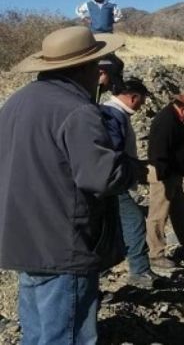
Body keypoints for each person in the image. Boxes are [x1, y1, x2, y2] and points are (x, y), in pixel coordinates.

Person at [0, 26, 145, 344]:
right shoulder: (77, 110)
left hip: (22, 238)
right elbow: (101, 176)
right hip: (63, 243)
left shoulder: (15, 103)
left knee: (38, 333)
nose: (100, 73)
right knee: (68, 336)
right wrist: (134, 170)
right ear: (84, 68)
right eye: (97, 65)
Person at [101, 78, 161, 288]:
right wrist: (130, 169)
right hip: (113, 182)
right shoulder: (112, 114)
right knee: (134, 221)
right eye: (141, 100)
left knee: (110, 225)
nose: (142, 105)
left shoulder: (113, 113)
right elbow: (113, 152)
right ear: (133, 97)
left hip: (111, 180)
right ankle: (140, 271)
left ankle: (102, 270)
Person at [146, 93, 184, 269]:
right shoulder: (166, 121)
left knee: (179, 208)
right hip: (165, 175)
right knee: (158, 213)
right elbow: (158, 150)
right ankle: (156, 253)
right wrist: (165, 174)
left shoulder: (173, 118)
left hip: (172, 174)